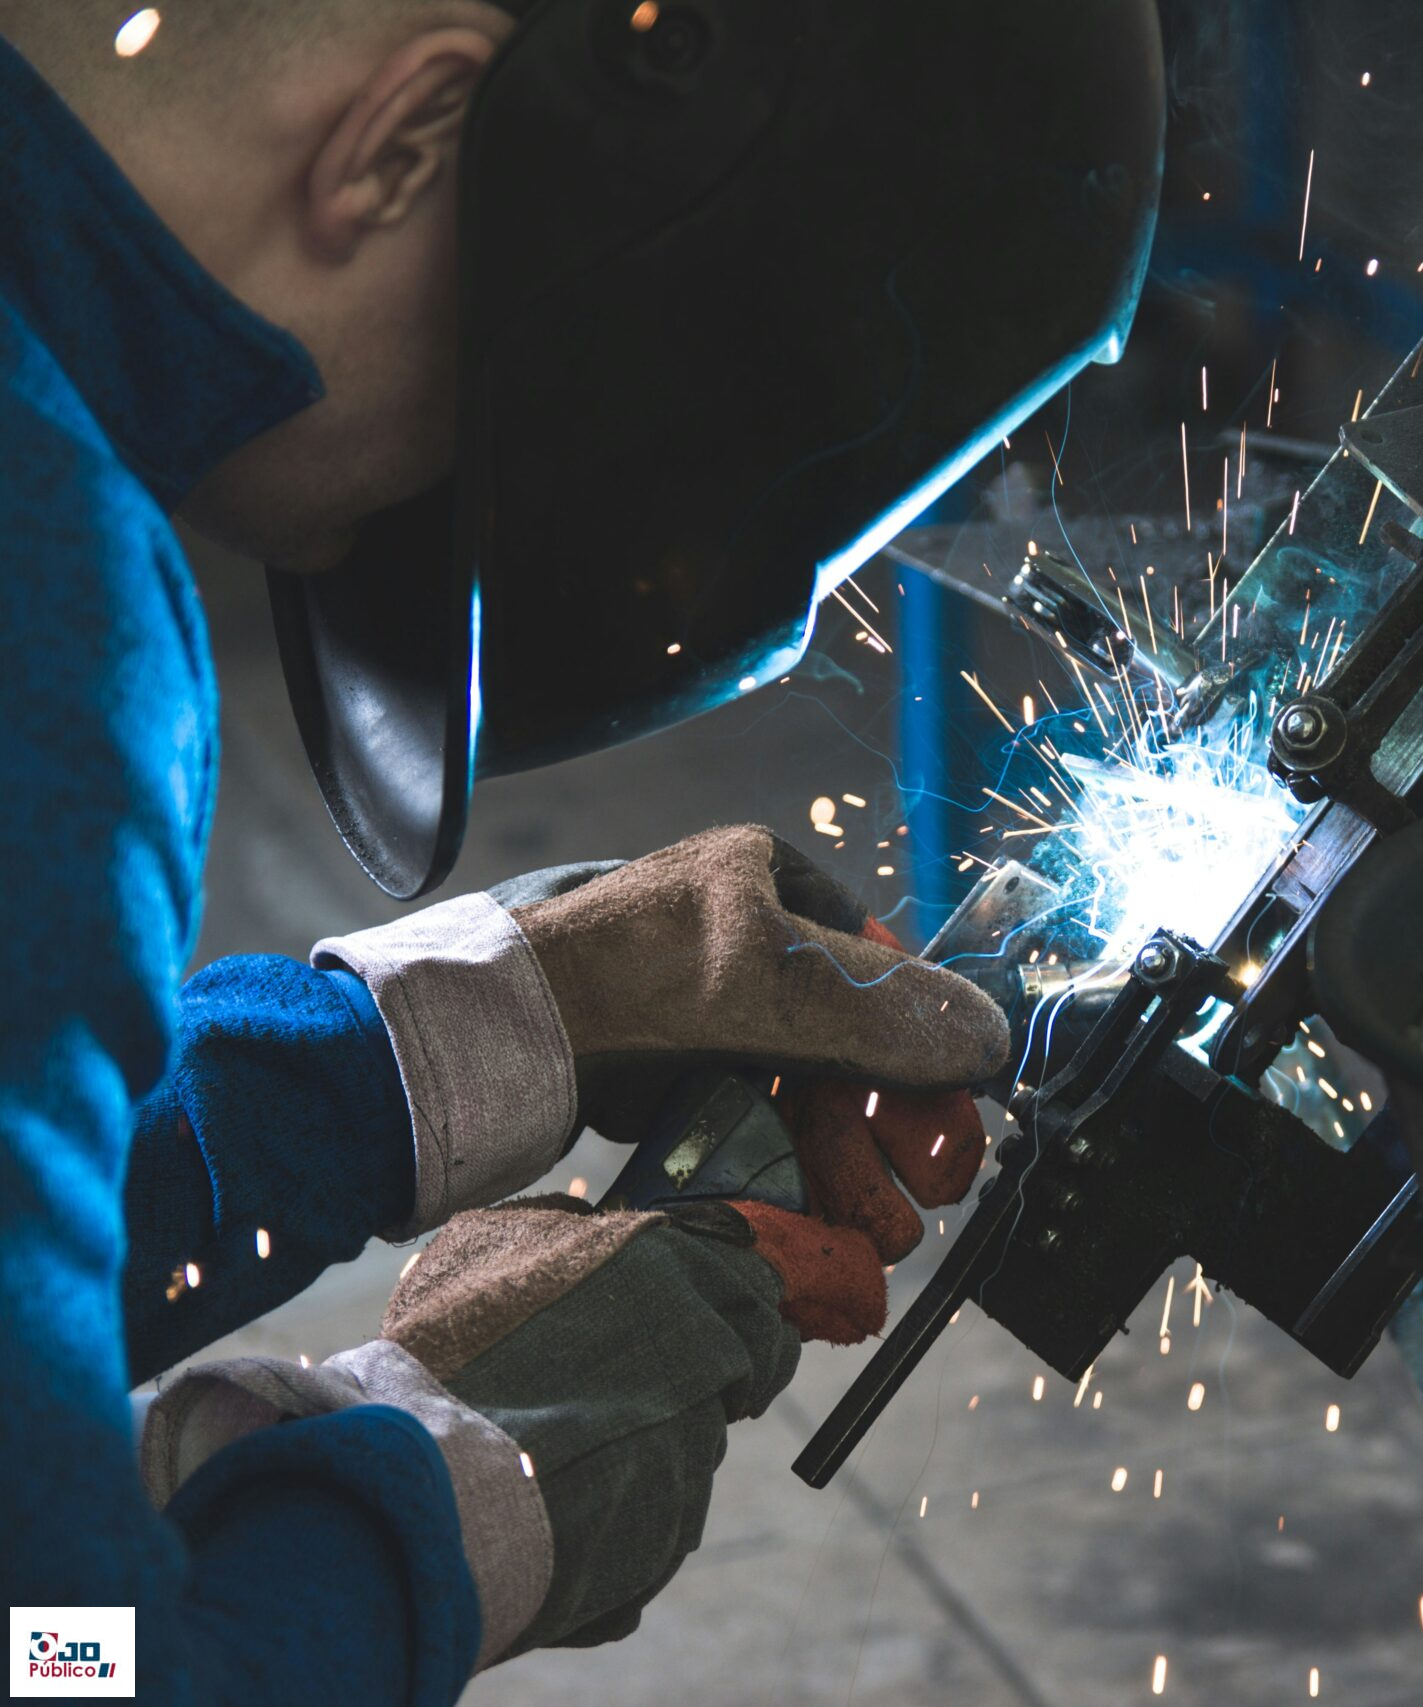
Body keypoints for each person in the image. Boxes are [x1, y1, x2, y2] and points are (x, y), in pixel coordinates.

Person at [0, 0, 1161, 1697]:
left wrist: (443, 1035)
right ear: (400, 145)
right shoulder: (47, 602)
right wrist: (463, 1469)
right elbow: (67, 1669)